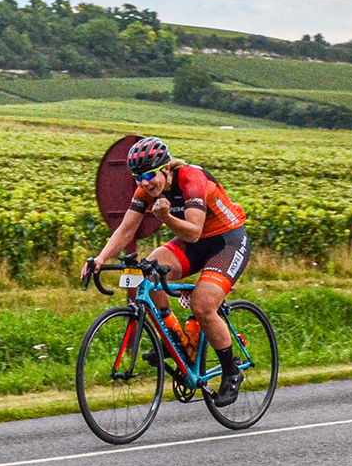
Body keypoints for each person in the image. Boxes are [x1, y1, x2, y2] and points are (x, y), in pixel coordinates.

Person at [83, 137, 250, 408]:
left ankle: (231, 372)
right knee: (149, 271)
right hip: (193, 244)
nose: (145, 183)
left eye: (149, 175)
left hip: (226, 242)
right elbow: (127, 229)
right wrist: (100, 259)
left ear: (166, 168)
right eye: (137, 177)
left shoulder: (191, 180)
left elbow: (194, 232)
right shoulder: (145, 190)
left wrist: (167, 218)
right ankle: (177, 339)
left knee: (203, 305)